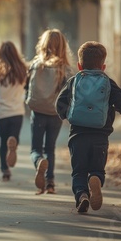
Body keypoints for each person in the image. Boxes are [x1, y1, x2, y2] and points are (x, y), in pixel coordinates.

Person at [56, 41, 121, 213]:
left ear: (79, 65)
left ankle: (82, 195)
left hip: (78, 135)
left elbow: (60, 101)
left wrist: (67, 115)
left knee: (78, 171)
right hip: (100, 136)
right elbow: (120, 99)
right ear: (103, 66)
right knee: (97, 168)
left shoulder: (74, 81)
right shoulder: (107, 82)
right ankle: (95, 178)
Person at [26, 29, 75, 194]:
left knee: (36, 149)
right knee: (50, 148)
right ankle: (50, 184)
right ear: (63, 46)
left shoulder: (36, 65)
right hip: (55, 114)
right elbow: (70, 93)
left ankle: (39, 162)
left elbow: (27, 86)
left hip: (38, 111)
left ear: (43, 44)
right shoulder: (65, 69)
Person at [0, 41, 27, 182]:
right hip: (17, 112)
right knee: (13, 139)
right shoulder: (22, 69)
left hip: (1, 113)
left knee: (3, 143)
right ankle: (13, 143)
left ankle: (5, 170)